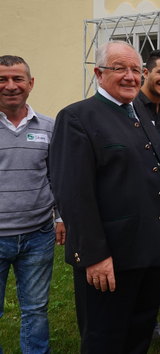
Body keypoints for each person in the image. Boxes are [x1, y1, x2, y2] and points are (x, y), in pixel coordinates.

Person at [49, 41, 160, 353]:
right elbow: (73, 195)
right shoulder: (78, 118)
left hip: (150, 250)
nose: (130, 76)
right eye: (119, 69)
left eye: (135, 70)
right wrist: (94, 256)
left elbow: (158, 176)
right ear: (99, 73)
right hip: (110, 257)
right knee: (105, 338)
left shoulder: (139, 115)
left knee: (138, 334)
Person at [0, 55, 64, 353]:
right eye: (2, 79)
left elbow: (57, 177)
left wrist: (60, 218)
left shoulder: (50, 127)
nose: (10, 86)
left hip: (39, 235)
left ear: (31, 83)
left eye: (17, 79)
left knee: (35, 310)